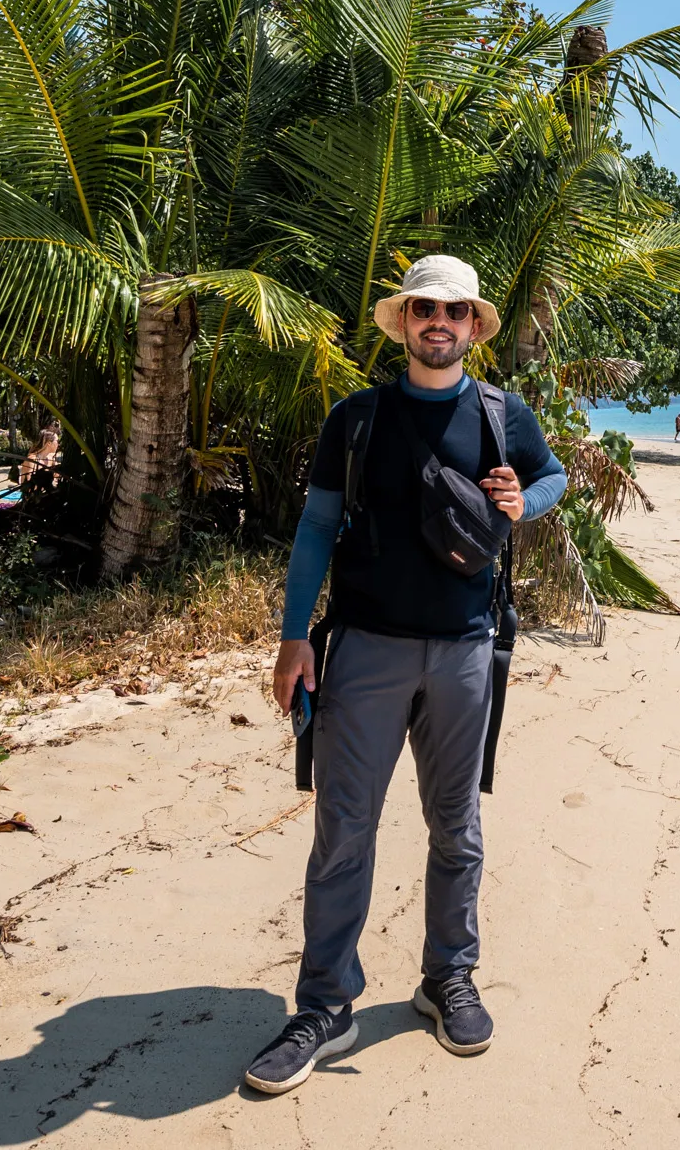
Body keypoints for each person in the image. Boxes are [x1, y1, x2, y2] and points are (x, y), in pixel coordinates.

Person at [244, 255, 568, 1095]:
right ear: (406, 320)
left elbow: (553, 477)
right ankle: (324, 1003)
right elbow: (316, 527)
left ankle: (446, 979)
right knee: (344, 830)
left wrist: (518, 504)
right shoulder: (358, 418)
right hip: (365, 651)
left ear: (471, 326)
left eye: (455, 311)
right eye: (426, 307)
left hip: (466, 650)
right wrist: (292, 639)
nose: (440, 321)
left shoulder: (503, 415)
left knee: (455, 826)